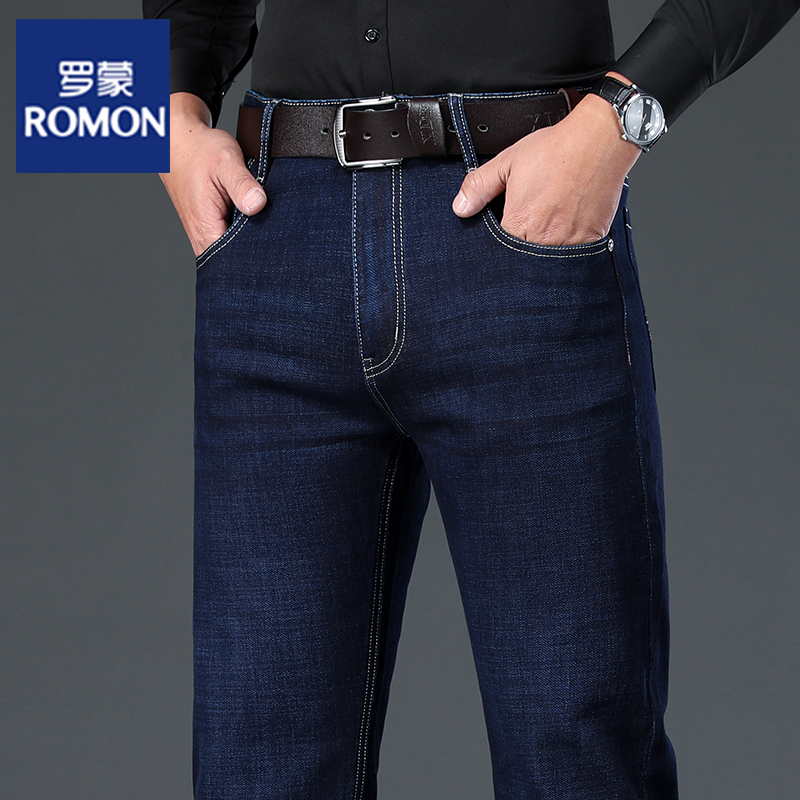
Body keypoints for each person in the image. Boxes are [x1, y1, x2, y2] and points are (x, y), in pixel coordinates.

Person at [143, 2, 799, 798]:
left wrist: (620, 121)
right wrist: (161, 123)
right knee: (250, 770)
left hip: (520, 222)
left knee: (579, 762)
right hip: (277, 224)